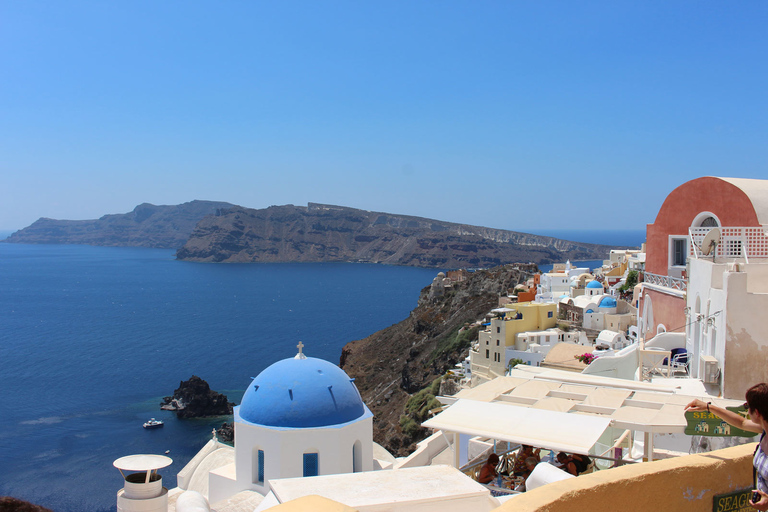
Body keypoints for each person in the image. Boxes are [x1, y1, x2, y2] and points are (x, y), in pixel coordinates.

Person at [685, 383, 768, 511]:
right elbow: (741, 422)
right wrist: (708, 407)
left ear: (756, 412)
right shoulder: (764, 431)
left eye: (747, 406)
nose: (746, 409)